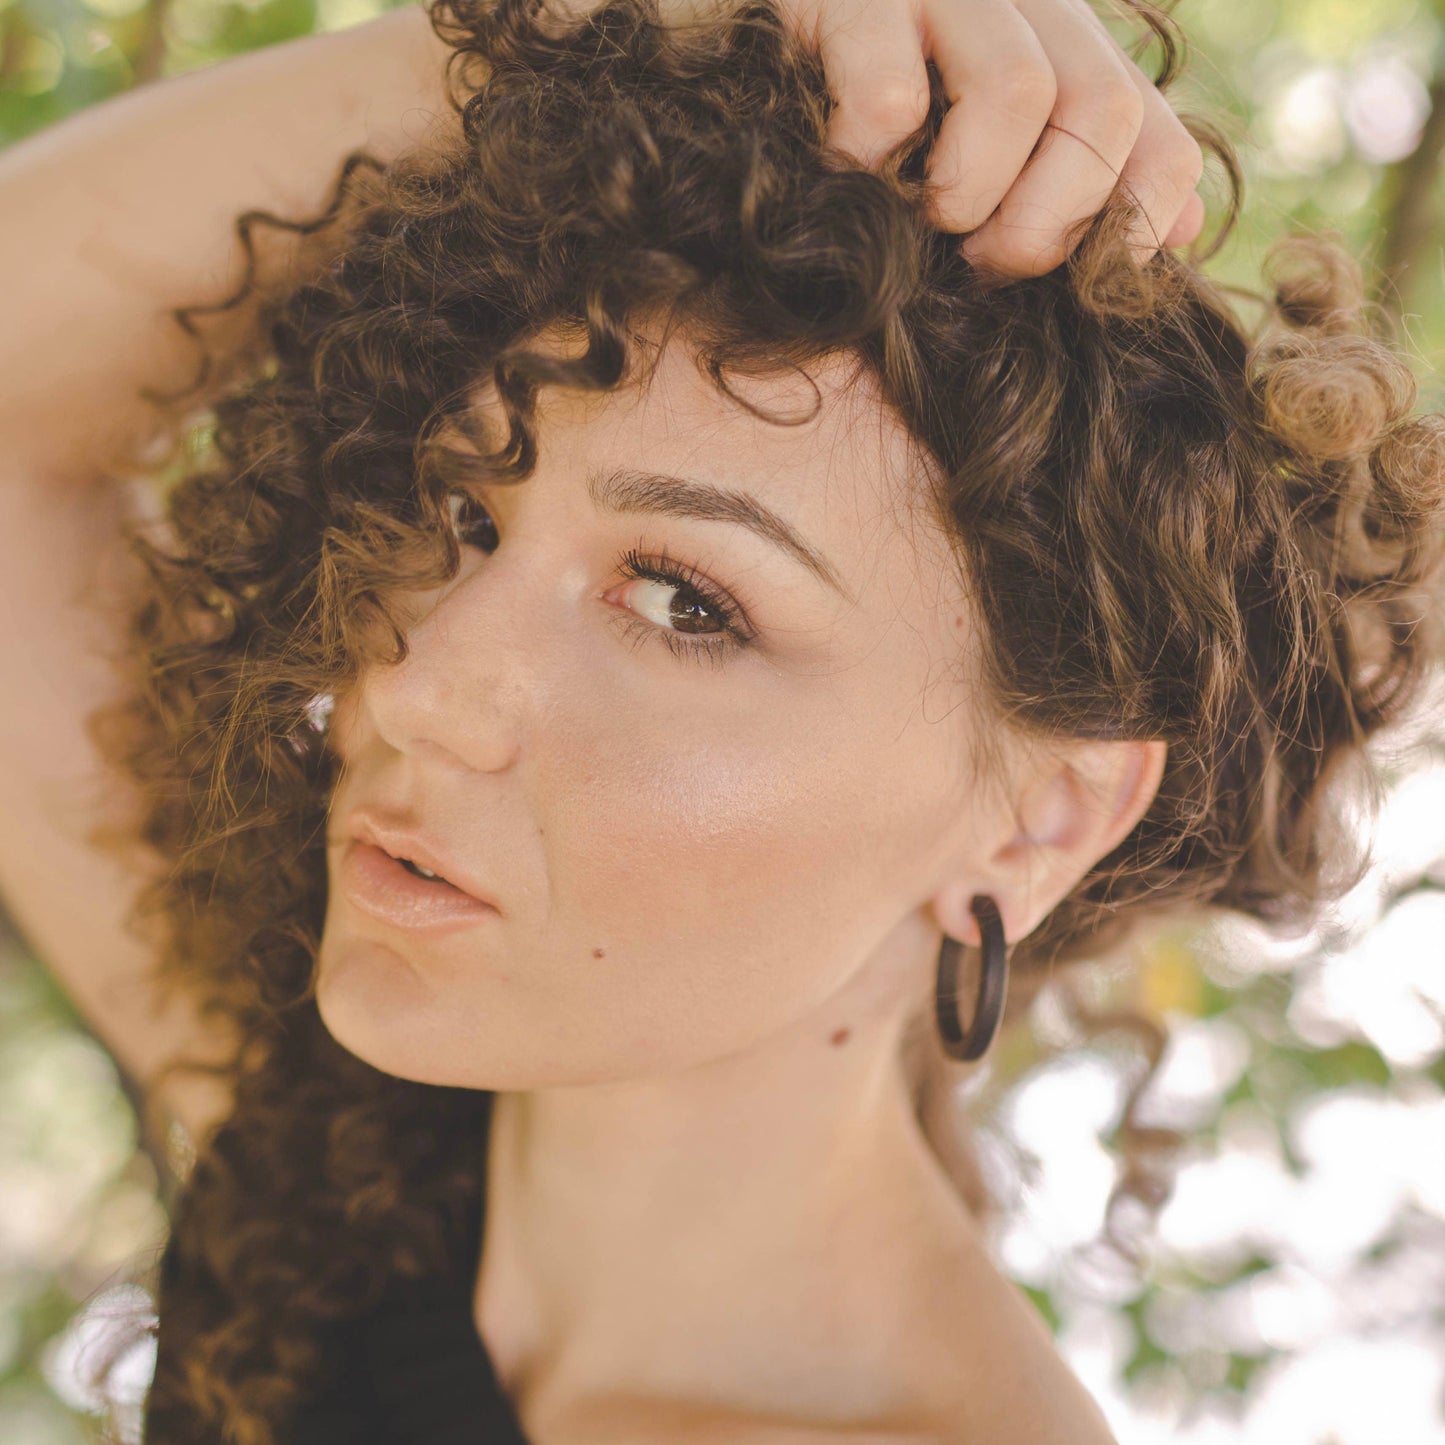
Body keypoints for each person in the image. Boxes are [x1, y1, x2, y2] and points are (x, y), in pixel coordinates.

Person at [2, 0, 1441, 1442]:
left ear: (1040, 815)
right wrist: (609, 30)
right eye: (460, 512)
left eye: (685, 600)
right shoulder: (354, 1168)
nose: (412, 685)